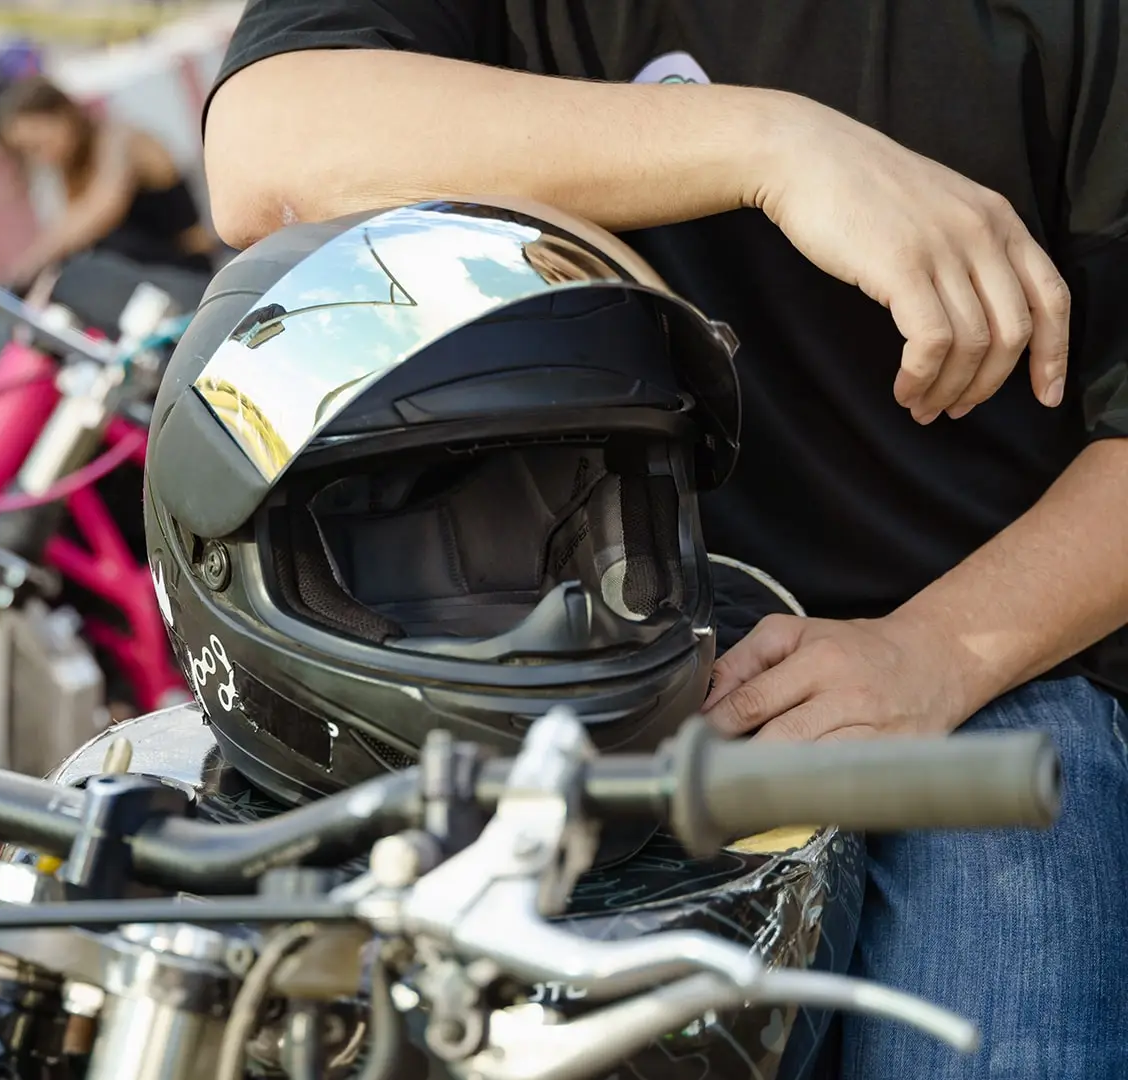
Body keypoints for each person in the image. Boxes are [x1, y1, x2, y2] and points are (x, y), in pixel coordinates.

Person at [202, 3, 1128, 1079]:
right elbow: (269, 150)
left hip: (982, 669)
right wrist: (775, 145)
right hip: (525, 659)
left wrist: (936, 655)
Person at [0, 75, 217, 319]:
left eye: (39, 145)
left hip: (190, 275)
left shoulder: (123, 141)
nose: (40, 158)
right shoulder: (72, 168)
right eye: (27, 152)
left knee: (81, 272)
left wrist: (23, 271)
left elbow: (99, 212)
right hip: (146, 286)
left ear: (64, 115)